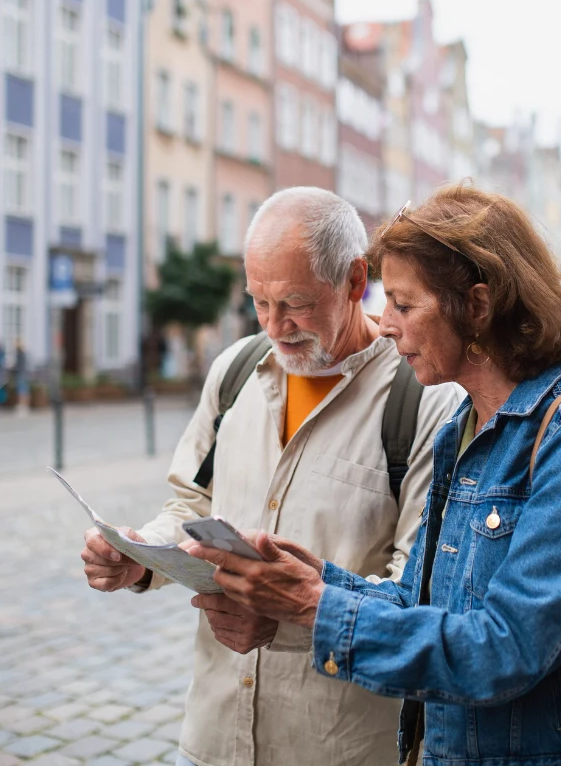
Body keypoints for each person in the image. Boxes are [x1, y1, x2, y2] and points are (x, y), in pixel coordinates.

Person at [182, 185, 561, 766]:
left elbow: (509, 648)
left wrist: (315, 606)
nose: (386, 324)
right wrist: (315, 581)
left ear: (477, 307)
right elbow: (416, 601)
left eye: (402, 304)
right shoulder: (464, 428)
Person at [78, 187, 464, 766]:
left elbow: (418, 597)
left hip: (338, 747)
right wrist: (141, 554)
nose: (275, 326)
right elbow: (191, 503)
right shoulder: (234, 372)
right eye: (259, 301)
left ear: (355, 280)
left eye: (294, 303)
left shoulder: (425, 402)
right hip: (212, 737)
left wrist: (287, 615)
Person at [13, 338, 30, 415]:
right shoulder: (23, 353)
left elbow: (19, 365)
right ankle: (24, 405)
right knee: (24, 390)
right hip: (24, 373)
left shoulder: (20, 354)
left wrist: (13, 368)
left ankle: (23, 406)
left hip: (21, 374)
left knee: (21, 391)